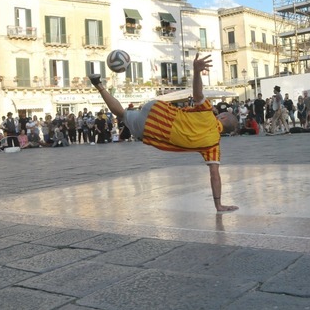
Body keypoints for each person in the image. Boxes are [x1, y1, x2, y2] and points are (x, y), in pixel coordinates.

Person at [89, 53, 239, 212]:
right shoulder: (213, 147)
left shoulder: (208, 111)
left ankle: (100, 86)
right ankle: (98, 85)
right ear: (227, 132)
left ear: (221, 116)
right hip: (149, 130)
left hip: (156, 109)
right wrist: (218, 204)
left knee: (125, 114)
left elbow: (197, 94)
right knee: (122, 114)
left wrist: (196, 72)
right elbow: (215, 176)